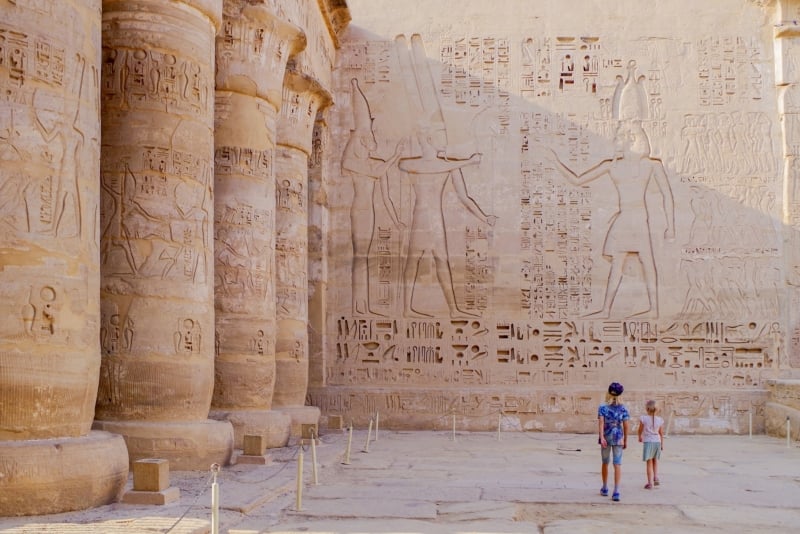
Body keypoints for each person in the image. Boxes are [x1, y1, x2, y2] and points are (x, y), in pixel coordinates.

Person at [598, 381, 629, 501]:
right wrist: (625, 439)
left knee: (605, 462)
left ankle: (605, 487)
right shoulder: (623, 408)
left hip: (606, 436)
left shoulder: (603, 407)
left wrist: (602, 437)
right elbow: (626, 425)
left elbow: (601, 422)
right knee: (617, 464)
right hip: (618, 437)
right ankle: (616, 491)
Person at [637, 399, 664, 489]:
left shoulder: (643, 418)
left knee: (649, 462)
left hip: (648, 442)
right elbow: (661, 433)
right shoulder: (660, 420)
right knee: (655, 461)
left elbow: (640, 429)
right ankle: (655, 477)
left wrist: (639, 436)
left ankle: (649, 483)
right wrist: (662, 444)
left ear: (647, 409)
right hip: (657, 441)